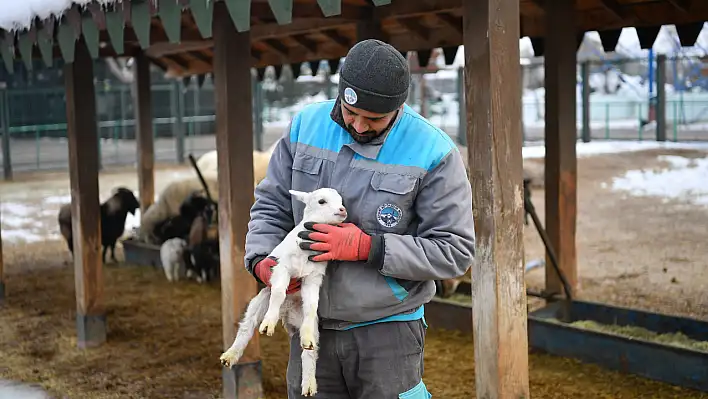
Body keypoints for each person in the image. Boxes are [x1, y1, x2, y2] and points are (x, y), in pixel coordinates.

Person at [244, 39, 475, 399]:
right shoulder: (305, 126)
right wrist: (262, 260)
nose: (360, 126)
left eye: (374, 119)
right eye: (351, 114)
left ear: (399, 107)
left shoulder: (434, 152)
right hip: (310, 324)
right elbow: (271, 204)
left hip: (387, 330)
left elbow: (454, 251)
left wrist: (369, 247)